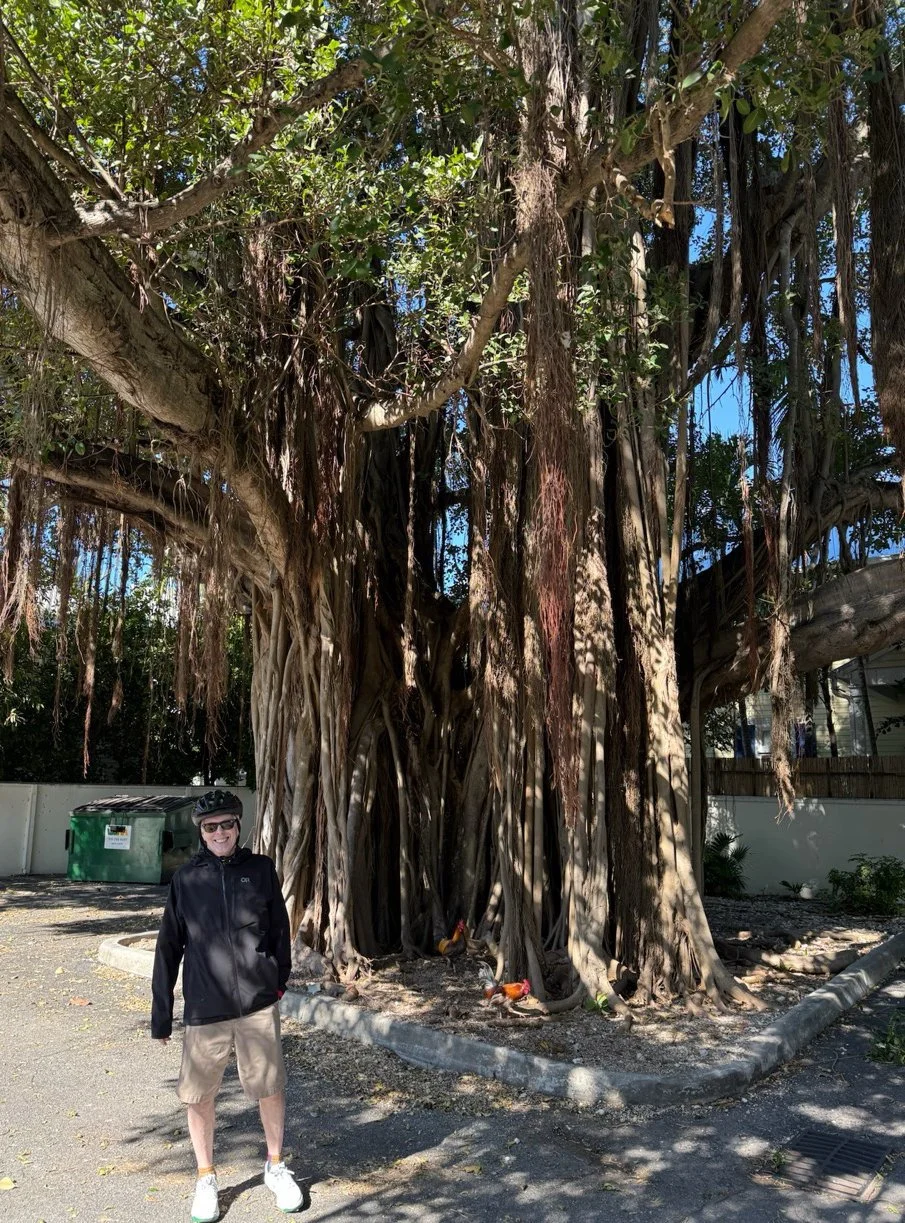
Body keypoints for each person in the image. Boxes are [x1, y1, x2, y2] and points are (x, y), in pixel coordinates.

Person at [151, 789, 302, 1222]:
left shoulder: (261, 870)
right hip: (204, 1007)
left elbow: (279, 929)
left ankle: (275, 1166)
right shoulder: (186, 880)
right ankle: (205, 1177)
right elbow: (168, 948)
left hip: (256, 1004)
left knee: (269, 1086)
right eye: (211, 827)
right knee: (198, 1095)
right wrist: (162, 1014)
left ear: (239, 827)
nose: (220, 833)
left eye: (227, 825)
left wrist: (277, 981)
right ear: (201, 832)